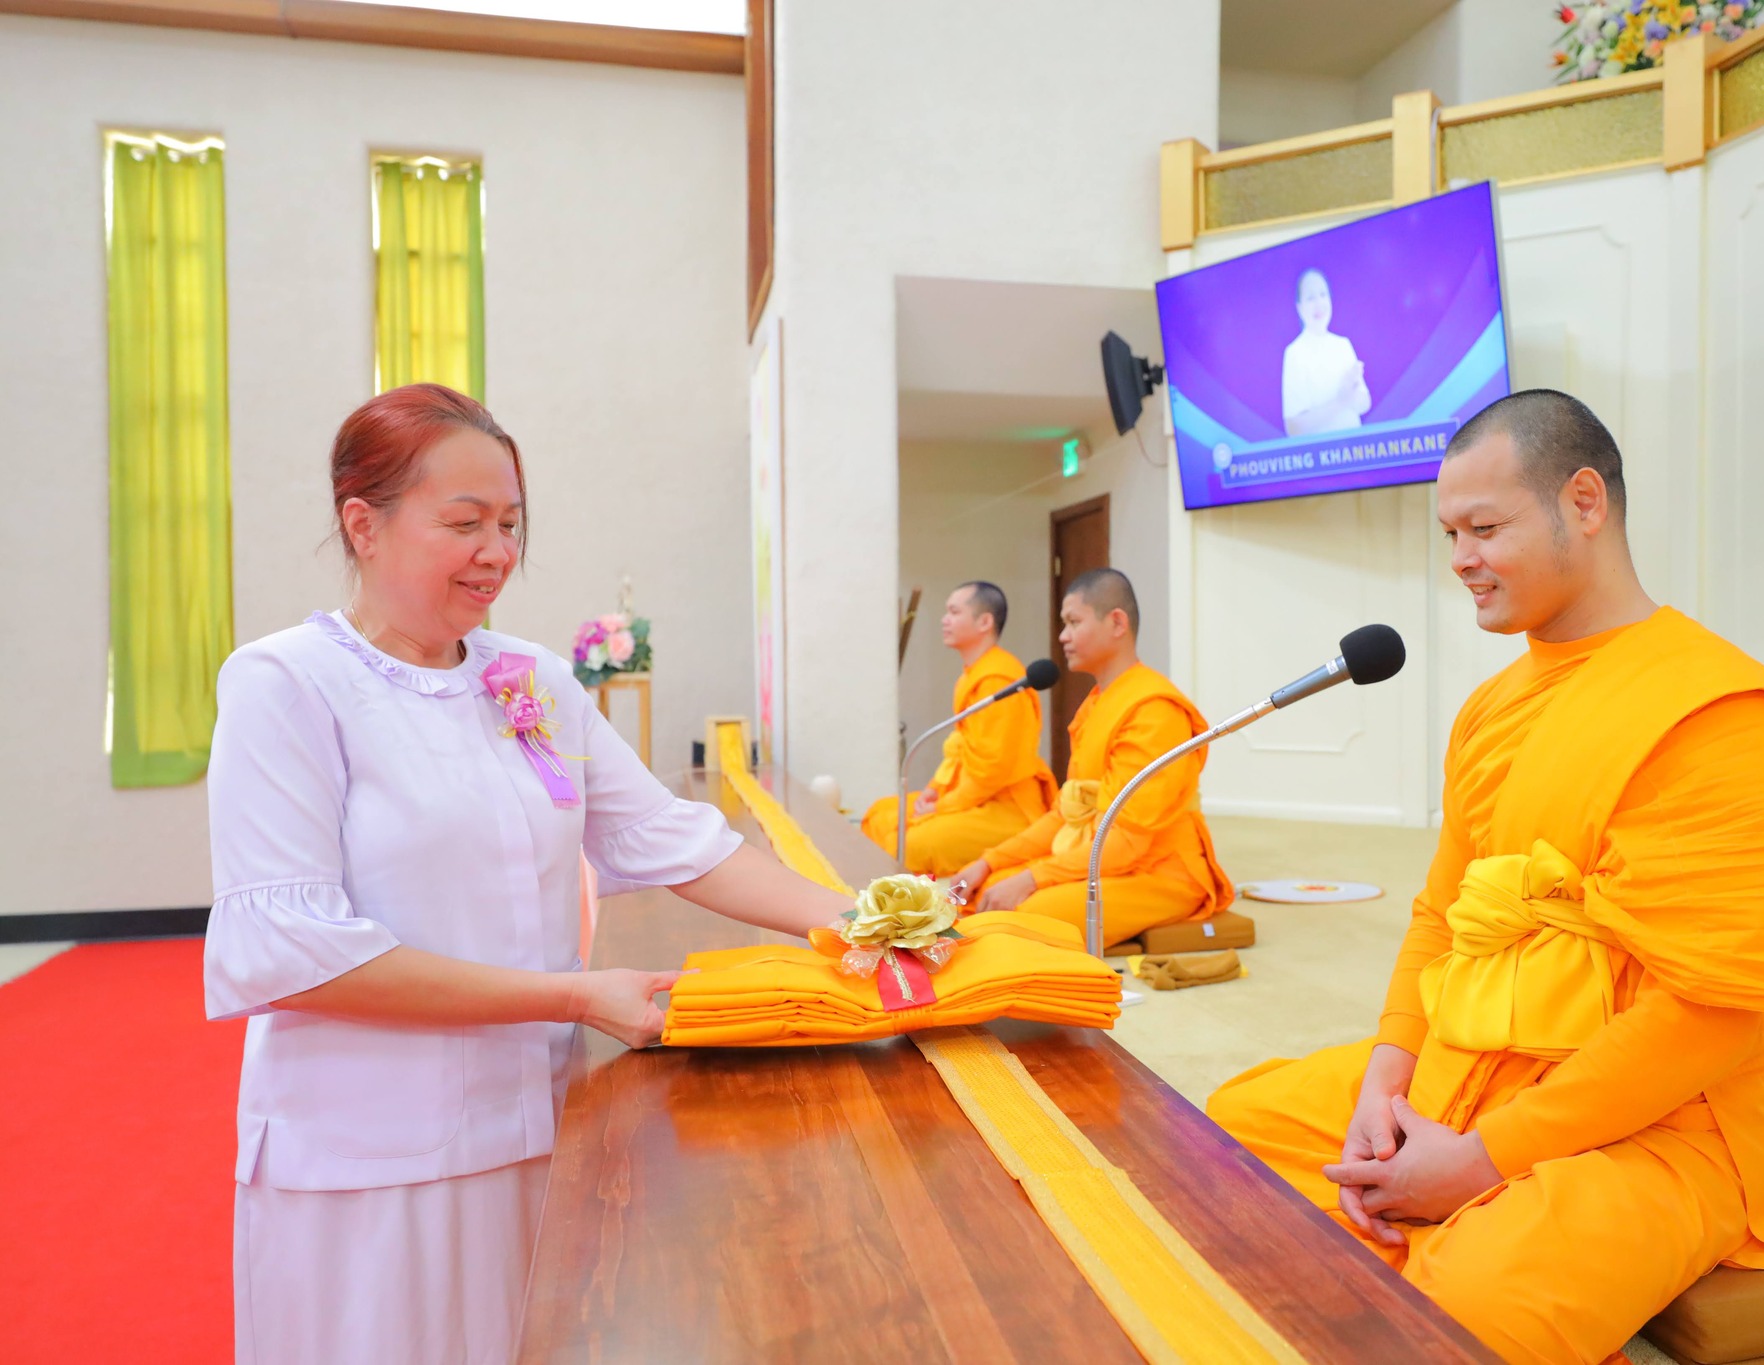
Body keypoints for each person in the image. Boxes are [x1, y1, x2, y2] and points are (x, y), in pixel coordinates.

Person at [1205, 390, 1764, 1365]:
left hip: (1650, 1124)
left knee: (1461, 1314)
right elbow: (1442, 915)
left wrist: (1479, 1161)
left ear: (1583, 503)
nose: (1460, 558)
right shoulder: (1489, 707)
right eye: (1448, 534)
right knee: (1218, 1142)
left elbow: (1713, 1012)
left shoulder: (1717, 711)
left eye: (1483, 527)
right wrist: (1387, 1079)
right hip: (1468, 1065)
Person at [202, 383, 852, 1365]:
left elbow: (668, 839)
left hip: (534, 1128)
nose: (497, 551)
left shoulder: (530, 680)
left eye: (510, 522)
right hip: (374, 1158)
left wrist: (864, 920)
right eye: (464, 523)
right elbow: (295, 955)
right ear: (362, 525)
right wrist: (572, 996)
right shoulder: (288, 686)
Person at [951, 568, 1232, 946]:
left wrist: (1033, 877)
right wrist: (989, 861)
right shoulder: (1098, 703)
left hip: (1158, 872)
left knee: (1014, 917)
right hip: (1108, 857)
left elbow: (1128, 840)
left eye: (1073, 622)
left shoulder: (1153, 709)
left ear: (1116, 622)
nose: (1062, 636)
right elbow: (1068, 813)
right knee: (988, 888)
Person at [859, 581, 1056, 876]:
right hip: (973, 796)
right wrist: (934, 791)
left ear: (984, 622)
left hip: (1006, 806)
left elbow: (991, 770)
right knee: (879, 815)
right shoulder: (973, 675)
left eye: (953, 612)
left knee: (909, 843)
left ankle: (911, 914)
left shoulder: (997, 681)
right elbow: (961, 751)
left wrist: (943, 806)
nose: (944, 619)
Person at [1282, 267, 1372, 436]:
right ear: (1299, 307)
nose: (1318, 304)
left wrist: (1352, 390)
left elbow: (1364, 403)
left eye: (1323, 295)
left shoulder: (1343, 344)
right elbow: (1294, 428)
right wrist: (1341, 401)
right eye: (1310, 298)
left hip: (1357, 448)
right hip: (1322, 455)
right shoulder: (1295, 353)